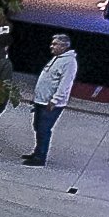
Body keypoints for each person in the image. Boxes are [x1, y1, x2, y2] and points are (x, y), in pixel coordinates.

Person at [24, 34, 78, 165]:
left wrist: (55, 100)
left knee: (44, 129)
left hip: (51, 103)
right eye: (52, 43)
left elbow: (65, 84)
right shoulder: (56, 58)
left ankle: (40, 157)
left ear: (64, 46)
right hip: (41, 100)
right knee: (37, 127)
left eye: (55, 44)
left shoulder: (69, 62)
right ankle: (37, 152)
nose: (51, 46)